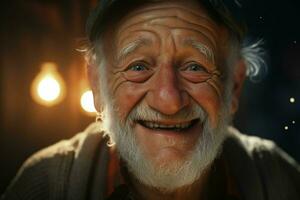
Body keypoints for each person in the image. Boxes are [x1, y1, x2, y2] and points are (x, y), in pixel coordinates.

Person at [2, 0, 300, 199]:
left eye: (195, 67)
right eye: (138, 67)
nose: (169, 100)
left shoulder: (278, 180)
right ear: (97, 84)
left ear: (233, 87)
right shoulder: (47, 184)